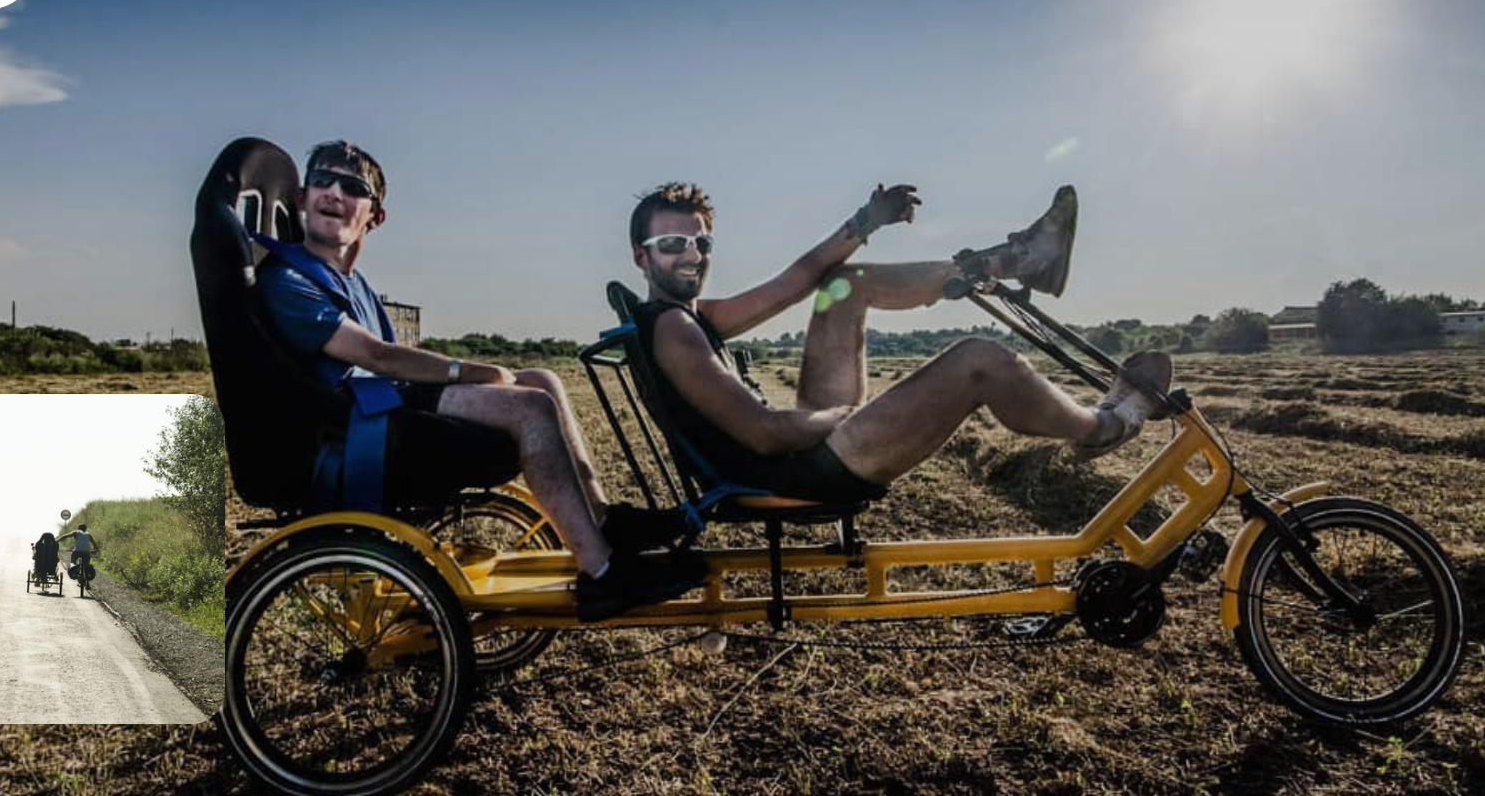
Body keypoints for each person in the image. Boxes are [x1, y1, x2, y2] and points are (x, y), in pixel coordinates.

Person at [259, 140, 705, 622]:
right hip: (351, 430)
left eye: (351, 187)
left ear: (375, 215)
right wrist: (468, 371)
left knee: (541, 380)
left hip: (377, 408)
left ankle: (603, 520)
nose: (333, 192)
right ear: (302, 197)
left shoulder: (353, 283)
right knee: (530, 408)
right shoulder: (289, 279)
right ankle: (602, 574)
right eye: (321, 181)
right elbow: (375, 355)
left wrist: (478, 374)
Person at [623, 181, 1173, 505]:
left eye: (701, 243)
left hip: (803, 453)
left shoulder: (693, 315)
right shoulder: (673, 327)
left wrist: (865, 222)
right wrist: (840, 417)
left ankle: (1013, 262)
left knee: (843, 286)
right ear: (642, 257)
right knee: (979, 360)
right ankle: (1104, 428)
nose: (692, 254)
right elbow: (764, 434)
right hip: (794, 473)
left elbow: (801, 277)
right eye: (672, 244)